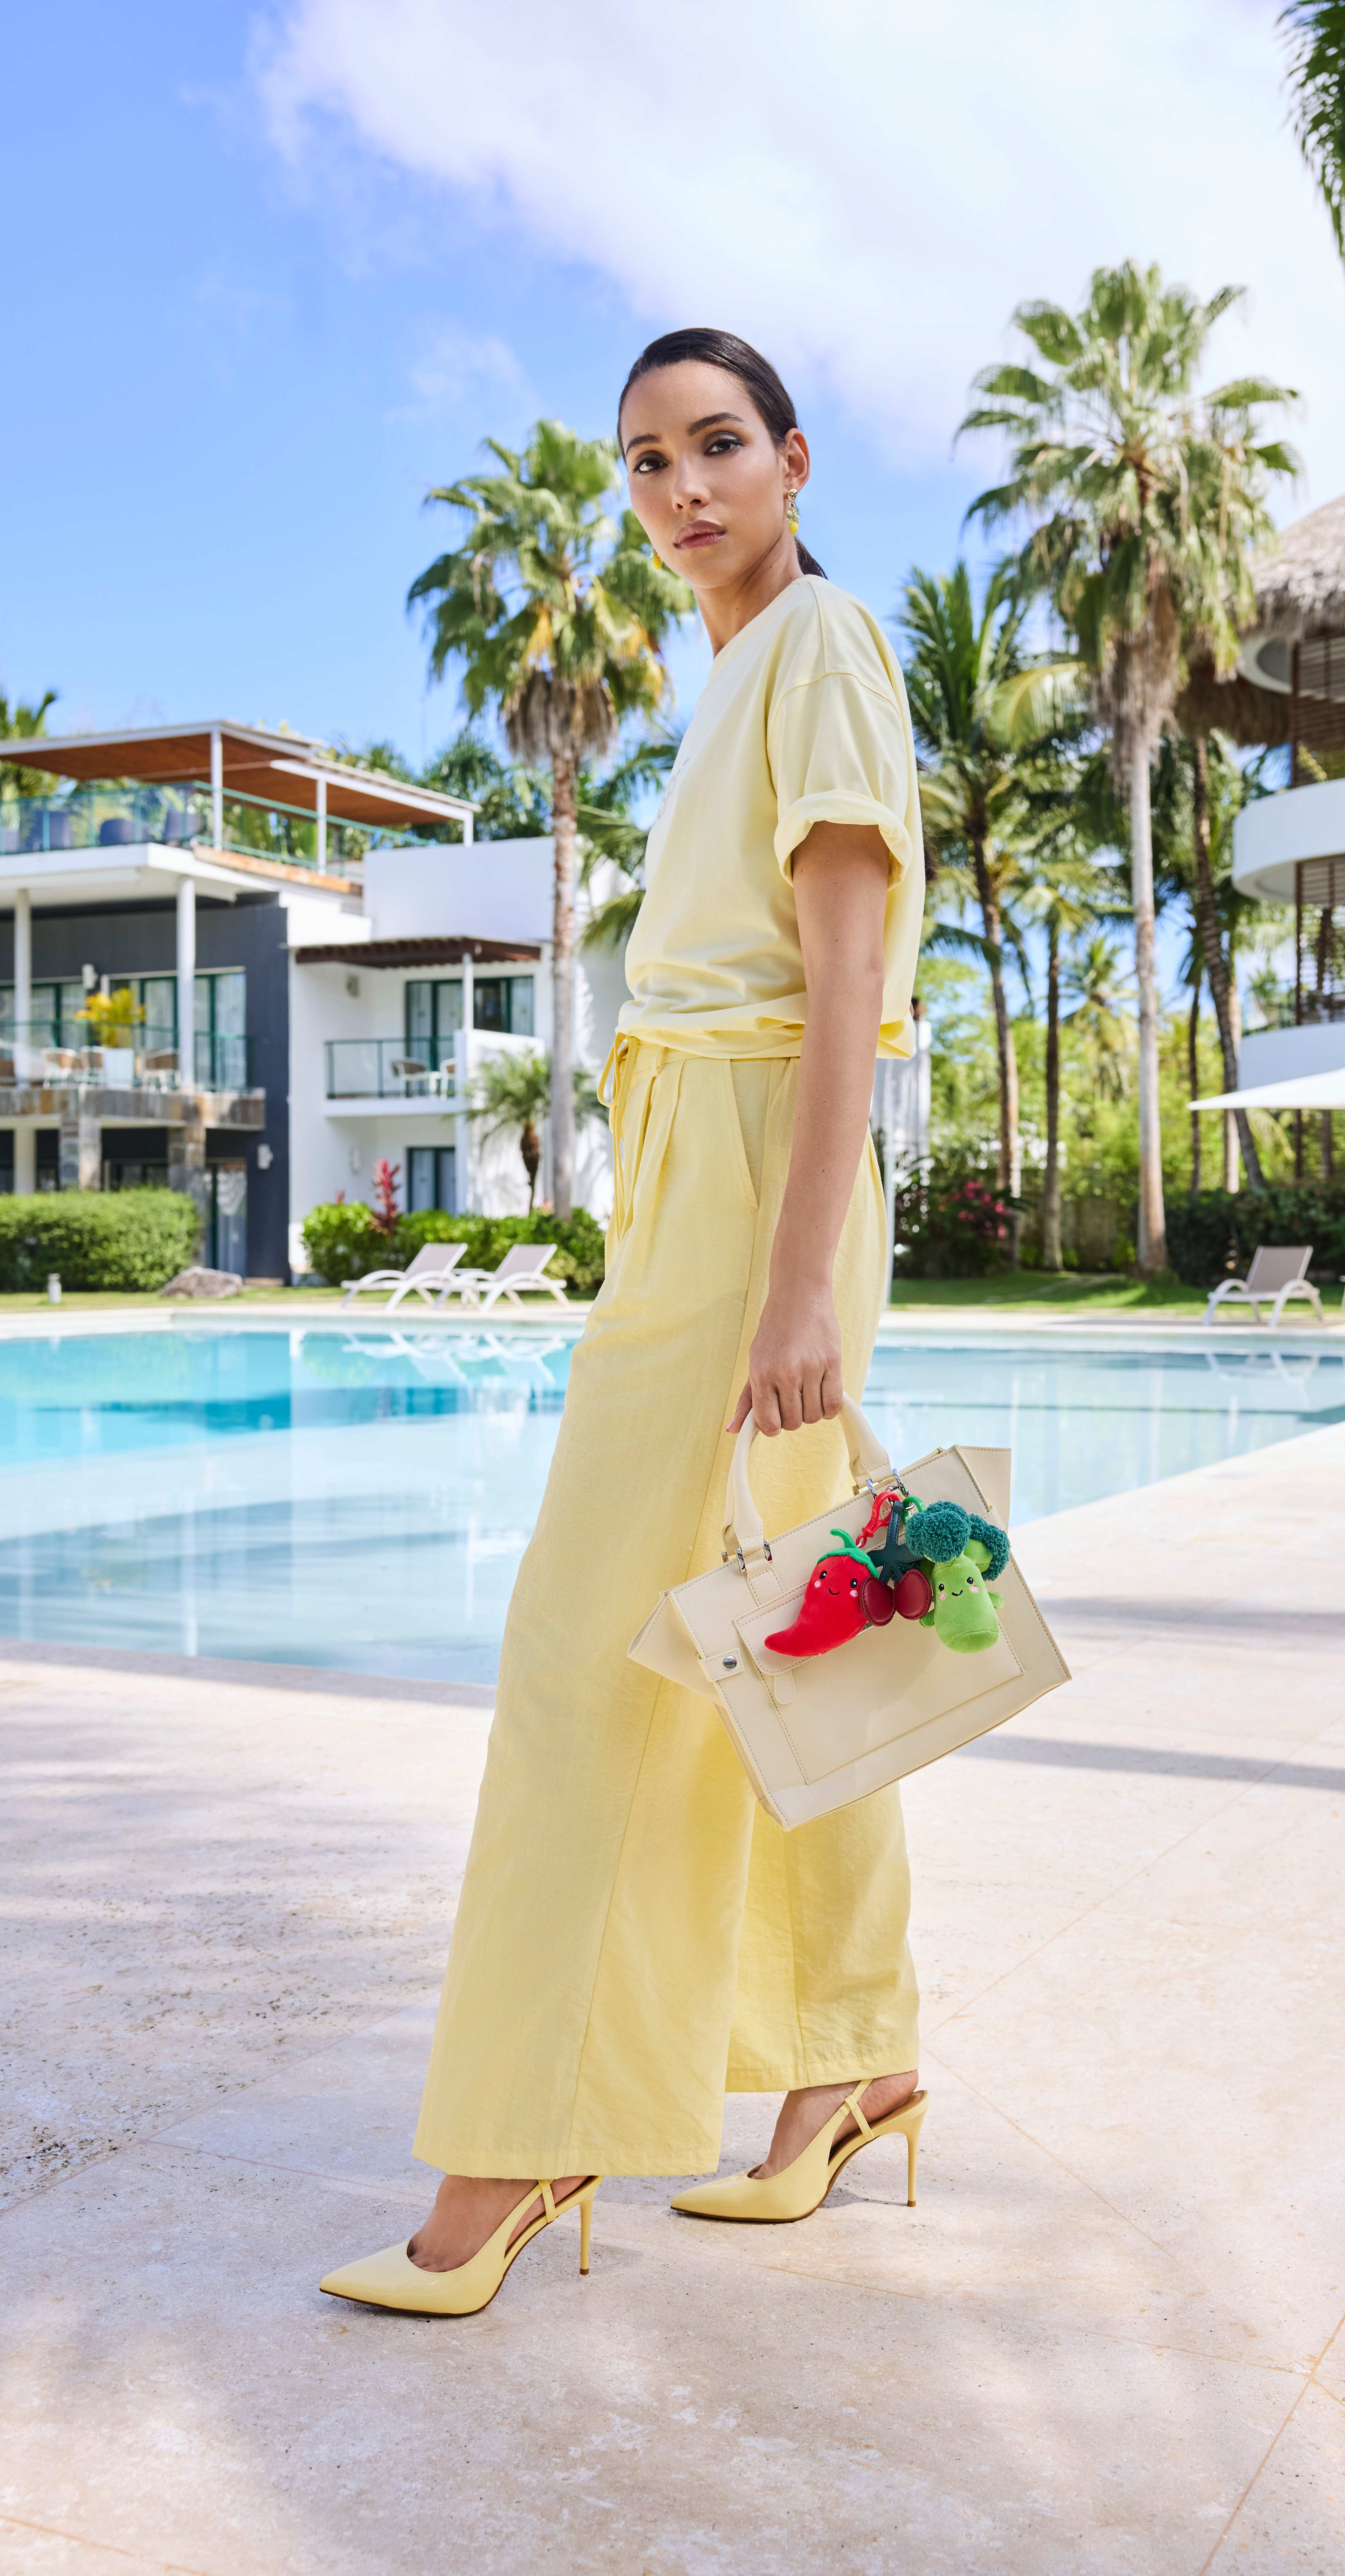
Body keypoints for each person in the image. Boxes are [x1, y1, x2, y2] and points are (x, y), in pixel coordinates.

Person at [320, 328, 928, 2316]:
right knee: (798, 1637)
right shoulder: (732, 668)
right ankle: (851, 2062)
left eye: (718, 446)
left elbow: (843, 978)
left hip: (761, 1181)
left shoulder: (823, 647)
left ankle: (517, 2139)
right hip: (701, 1179)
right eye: (646, 460)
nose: (680, 488)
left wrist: (786, 1284)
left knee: (582, 1655)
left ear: (795, 461)